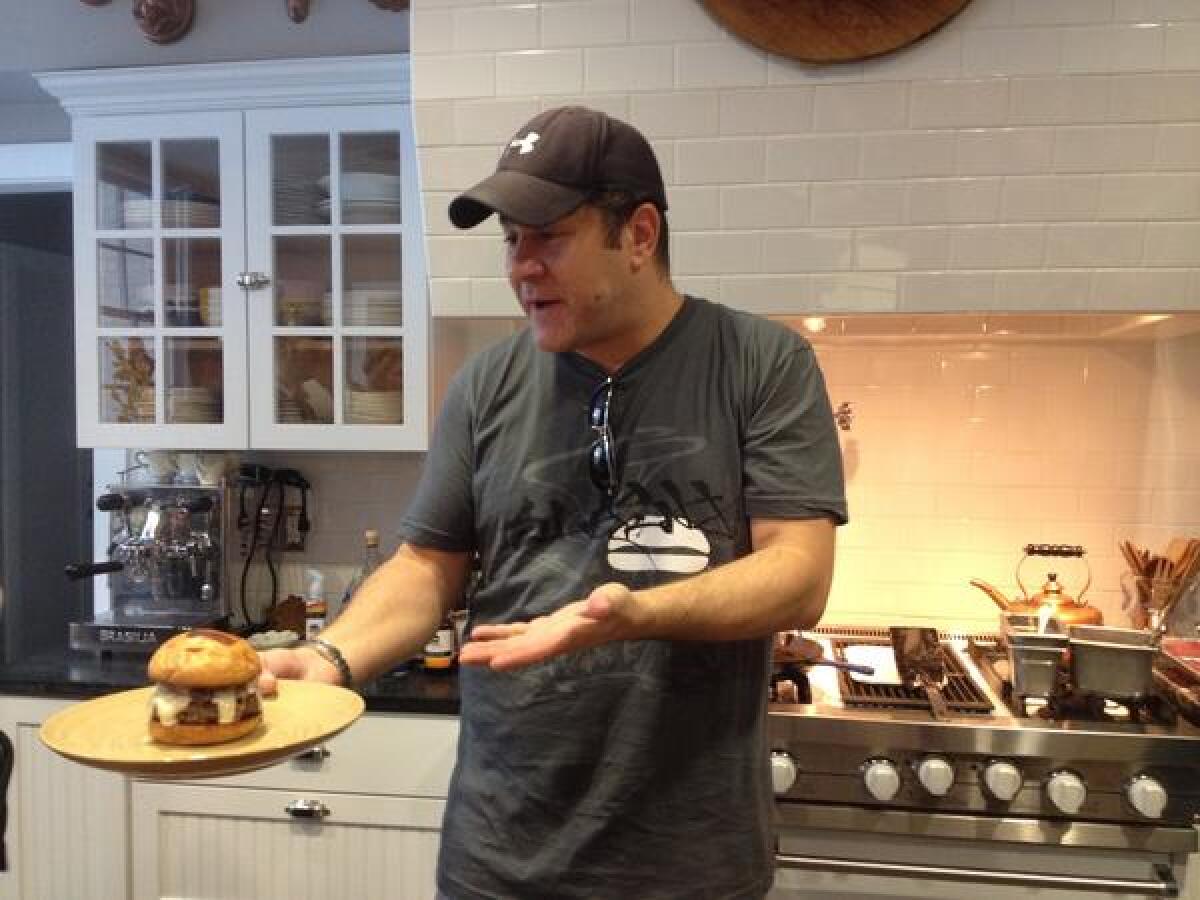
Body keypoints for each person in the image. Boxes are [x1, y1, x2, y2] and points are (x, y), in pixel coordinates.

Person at [259, 105, 848, 900]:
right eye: (511, 240)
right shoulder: (486, 385)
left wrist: (639, 612)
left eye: (549, 237)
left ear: (639, 236)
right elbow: (427, 564)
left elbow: (800, 576)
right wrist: (331, 656)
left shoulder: (761, 365)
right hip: (500, 861)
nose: (521, 267)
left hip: (689, 865)